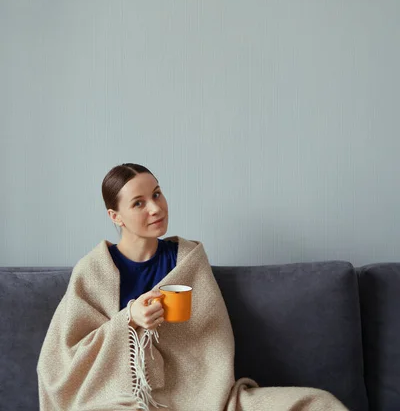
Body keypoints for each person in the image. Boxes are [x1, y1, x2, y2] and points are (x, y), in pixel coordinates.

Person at [37, 163, 348, 411]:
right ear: (115, 216)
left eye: (157, 194)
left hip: (198, 395)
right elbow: (63, 359)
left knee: (318, 403)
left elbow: (210, 339)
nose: (156, 208)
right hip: (122, 398)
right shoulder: (93, 271)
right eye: (139, 203)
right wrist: (129, 319)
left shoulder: (188, 260)